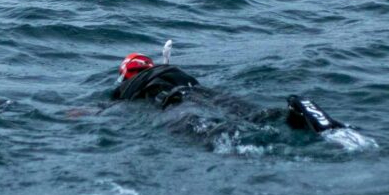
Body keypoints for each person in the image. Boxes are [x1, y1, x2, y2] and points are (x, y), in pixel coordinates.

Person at [111, 51, 345, 133]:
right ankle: (296, 112)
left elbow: (109, 108)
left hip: (176, 102)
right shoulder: (170, 69)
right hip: (203, 92)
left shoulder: (128, 86)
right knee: (256, 115)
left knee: (204, 129)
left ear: (125, 74)